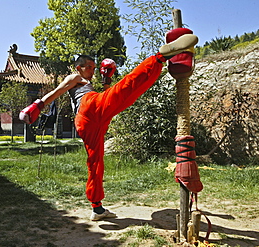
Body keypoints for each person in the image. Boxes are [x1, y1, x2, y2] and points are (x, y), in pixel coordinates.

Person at [19, 33, 198, 221]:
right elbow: (58, 90)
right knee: (125, 89)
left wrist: (106, 82)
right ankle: (160, 57)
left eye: (94, 68)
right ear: (78, 67)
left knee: (96, 160)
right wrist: (37, 105)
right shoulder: (74, 77)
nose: (92, 71)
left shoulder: (88, 83)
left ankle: (97, 208)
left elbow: (107, 98)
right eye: (89, 67)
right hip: (89, 108)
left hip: (89, 122)